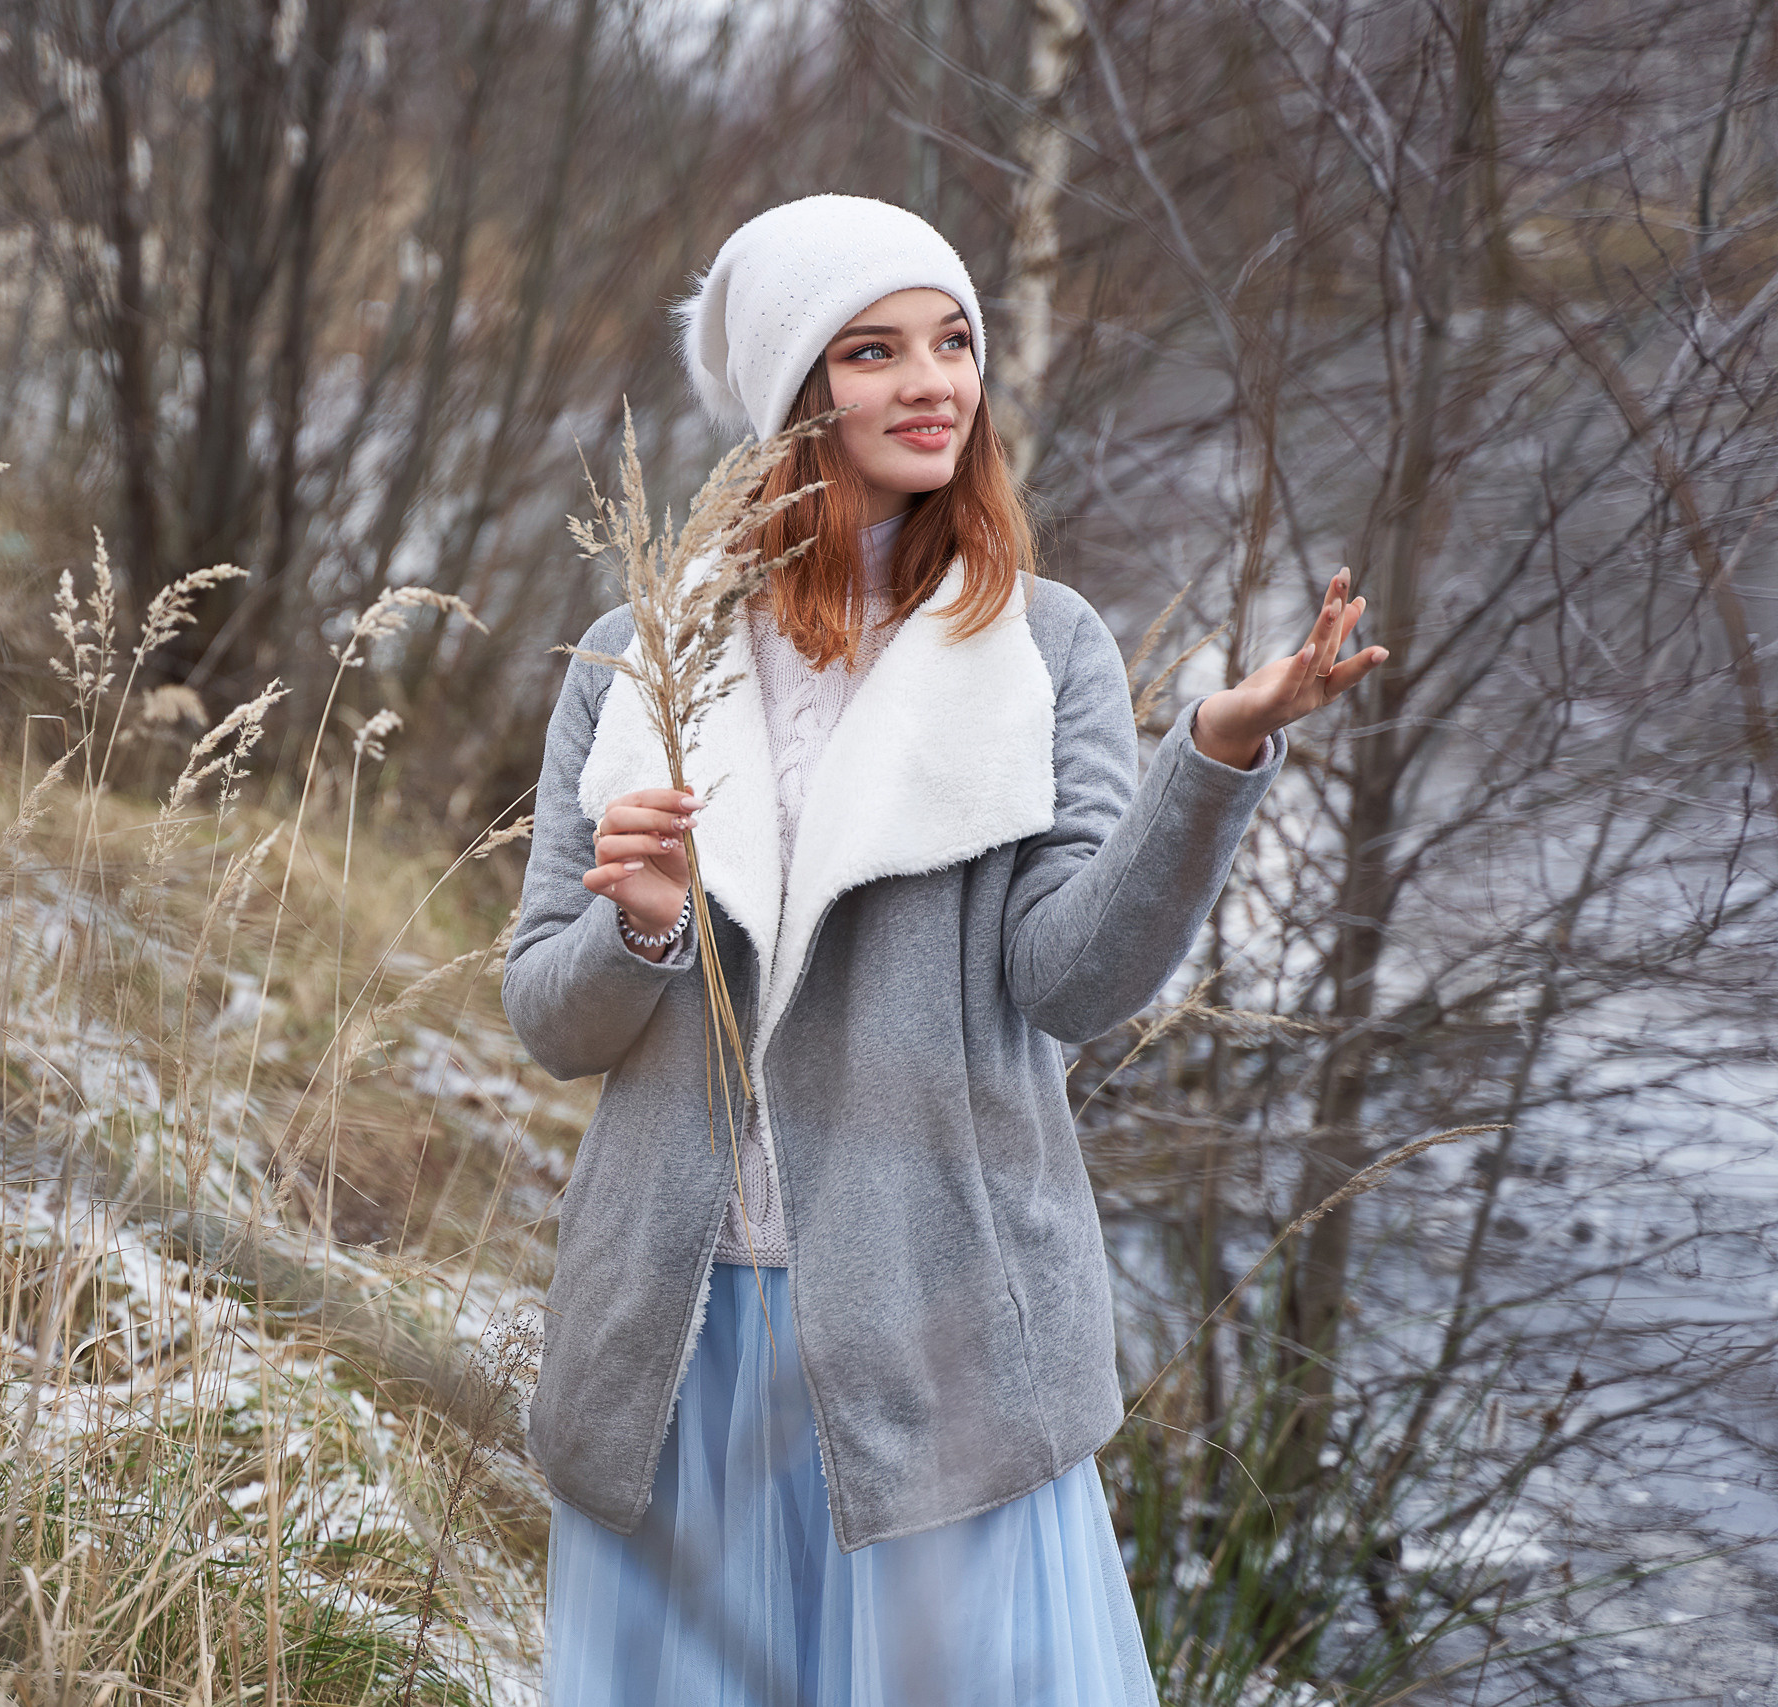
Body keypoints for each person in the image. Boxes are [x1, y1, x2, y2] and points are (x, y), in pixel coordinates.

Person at [501, 194, 1386, 1705]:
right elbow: (545, 1014)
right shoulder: (635, 652)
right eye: (873, 350)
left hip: (941, 1337)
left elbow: (1073, 982)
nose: (932, 382)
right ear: (795, 392)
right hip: (675, 1341)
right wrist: (639, 932)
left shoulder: (1042, 649)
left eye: (953, 341)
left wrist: (1215, 760)